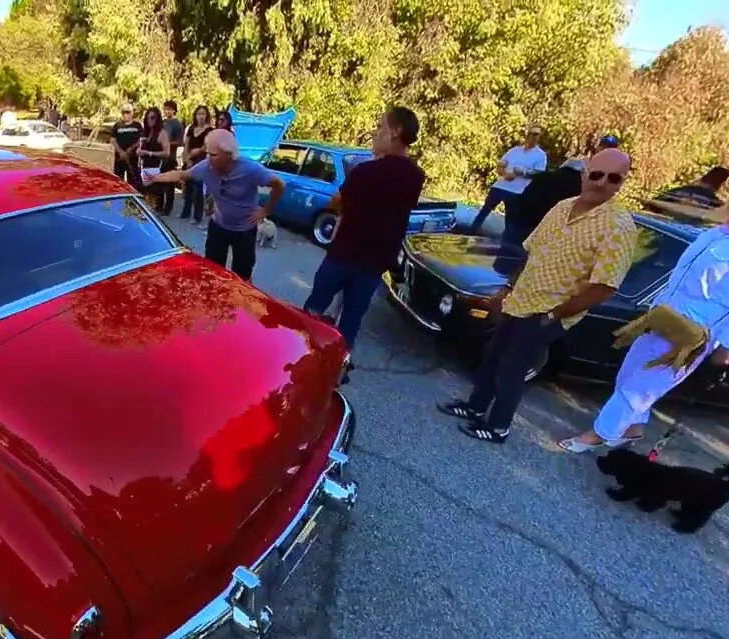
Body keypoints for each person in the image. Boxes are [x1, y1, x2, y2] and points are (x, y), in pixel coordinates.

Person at [438, 149, 639, 444]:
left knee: (512, 366)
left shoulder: (619, 227)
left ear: (621, 183)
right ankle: (474, 406)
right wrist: (507, 287)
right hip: (521, 298)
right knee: (493, 353)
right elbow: (532, 252)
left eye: (613, 179)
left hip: (549, 312)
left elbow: (605, 286)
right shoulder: (562, 207)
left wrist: (557, 313)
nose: (601, 183)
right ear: (584, 175)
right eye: (596, 175)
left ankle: (498, 427)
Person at [558, 214, 729, 452]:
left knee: (641, 388)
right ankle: (632, 430)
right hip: (664, 315)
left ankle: (599, 434)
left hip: (691, 333)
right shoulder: (715, 233)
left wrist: (726, 347)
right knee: (628, 375)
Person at [301, 106, 426, 369]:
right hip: (375, 261)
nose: (376, 132)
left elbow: (338, 201)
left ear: (395, 132)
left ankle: (302, 355)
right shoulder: (416, 177)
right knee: (352, 318)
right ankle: (337, 366)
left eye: (381, 127)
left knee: (314, 308)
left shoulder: (364, 172)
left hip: (345, 253)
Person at [144, 129, 285, 281]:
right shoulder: (206, 167)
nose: (208, 158)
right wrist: (155, 178)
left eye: (213, 155)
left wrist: (265, 210)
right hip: (218, 227)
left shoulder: (250, 169)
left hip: (244, 231)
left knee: (242, 276)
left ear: (229, 154)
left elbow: (279, 184)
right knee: (212, 271)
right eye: (207, 153)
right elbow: (181, 174)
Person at [471, 126, 547, 244]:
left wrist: (524, 173)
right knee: (485, 210)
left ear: (540, 137)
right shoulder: (514, 151)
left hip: (517, 191)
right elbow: (500, 165)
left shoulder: (540, 155)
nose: (532, 136)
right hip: (500, 186)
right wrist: (505, 173)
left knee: (510, 219)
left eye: (536, 134)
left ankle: (506, 244)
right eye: (531, 133)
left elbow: (539, 173)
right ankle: (471, 231)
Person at [505, 159, 585, 241]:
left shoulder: (545, 175)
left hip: (525, 217)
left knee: (509, 247)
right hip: (550, 226)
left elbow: (525, 195)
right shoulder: (581, 187)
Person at [179, 105, 212, 226]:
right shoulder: (192, 129)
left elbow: (206, 146)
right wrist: (187, 160)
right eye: (199, 114)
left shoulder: (209, 130)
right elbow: (186, 145)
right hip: (189, 161)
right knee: (187, 187)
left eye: (203, 114)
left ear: (206, 116)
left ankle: (197, 216)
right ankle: (185, 212)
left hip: (201, 160)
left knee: (198, 189)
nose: (201, 116)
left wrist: (195, 152)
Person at [136, 107, 170, 211]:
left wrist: (149, 153)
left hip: (156, 168)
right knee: (145, 197)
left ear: (157, 119)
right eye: (148, 118)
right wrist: (140, 151)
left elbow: (167, 153)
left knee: (153, 200)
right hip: (144, 168)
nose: (150, 120)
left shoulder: (162, 133)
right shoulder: (146, 133)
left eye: (153, 118)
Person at [654, 166, 727, 211]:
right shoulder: (714, 203)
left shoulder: (678, 191)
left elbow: (652, 204)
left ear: (702, 179)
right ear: (719, 185)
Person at [160, 100, 184, 216]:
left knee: (169, 184)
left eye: (168, 109)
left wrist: (168, 143)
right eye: (165, 109)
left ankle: (168, 207)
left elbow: (180, 141)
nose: (166, 111)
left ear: (174, 110)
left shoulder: (177, 124)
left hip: (170, 157)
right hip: (160, 157)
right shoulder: (163, 123)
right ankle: (159, 205)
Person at [111, 103, 143, 187]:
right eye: (123, 112)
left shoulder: (137, 125)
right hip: (119, 159)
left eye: (128, 112)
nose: (125, 114)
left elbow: (142, 140)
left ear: (132, 113)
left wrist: (131, 148)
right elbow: (113, 140)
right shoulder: (117, 126)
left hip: (132, 159)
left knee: (133, 182)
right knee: (118, 181)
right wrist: (121, 152)